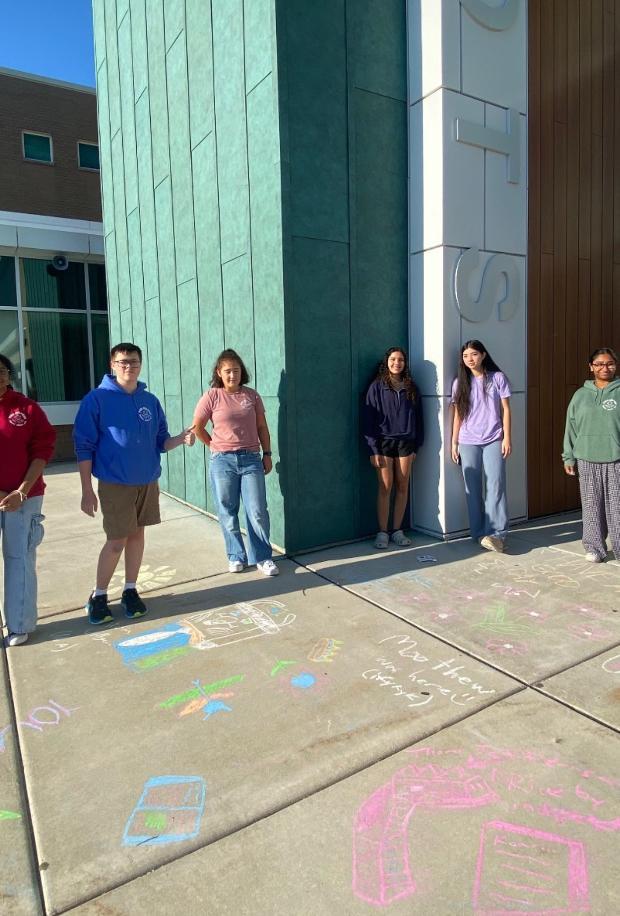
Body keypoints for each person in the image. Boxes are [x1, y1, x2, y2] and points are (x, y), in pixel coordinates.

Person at [73, 342, 195, 624]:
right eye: (123, 362)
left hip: (147, 481)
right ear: (112, 365)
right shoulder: (97, 399)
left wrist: (181, 439)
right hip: (115, 483)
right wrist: (86, 490)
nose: (129, 366)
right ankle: (99, 596)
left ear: (140, 364)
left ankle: (130, 590)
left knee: (137, 536)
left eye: (134, 362)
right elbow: (84, 446)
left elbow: (161, 442)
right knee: (117, 541)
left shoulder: (149, 400)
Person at [192, 349, 278, 576]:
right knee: (227, 510)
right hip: (222, 462)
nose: (232, 375)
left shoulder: (252, 396)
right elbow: (197, 427)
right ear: (219, 373)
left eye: (236, 371)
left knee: (257, 510)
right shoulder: (212, 396)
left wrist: (267, 454)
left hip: (251, 459)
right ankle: (236, 556)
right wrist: (213, 445)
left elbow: (262, 427)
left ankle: (263, 557)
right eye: (228, 371)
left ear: (242, 372)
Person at [0, 353, 56, 646]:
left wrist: (21, 491)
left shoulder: (27, 408)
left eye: (1, 370)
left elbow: (43, 449)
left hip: (25, 498)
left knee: (19, 559)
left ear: (9, 375)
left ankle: (19, 624)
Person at [450, 340, 512, 552]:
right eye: (466, 355)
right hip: (467, 440)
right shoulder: (459, 383)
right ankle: (479, 534)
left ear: (483, 355)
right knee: (472, 488)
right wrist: (454, 442)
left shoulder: (497, 378)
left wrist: (507, 437)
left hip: (494, 438)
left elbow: (506, 409)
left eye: (474, 354)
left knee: (496, 484)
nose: (470, 359)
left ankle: (497, 534)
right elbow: (458, 415)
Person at [562, 347, 620, 563]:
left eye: (610, 363)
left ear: (615, 365)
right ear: (591, 367)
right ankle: (594, 548)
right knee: (591, 506)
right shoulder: (580, 395)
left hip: (616, 458)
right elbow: (571, 427)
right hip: (586, 457)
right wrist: (568, 456)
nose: (605, 368)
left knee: (617, 507)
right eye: (599, 364)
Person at [363, 347, 424, 549]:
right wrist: (373, 449)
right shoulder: (376, 386)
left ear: (405, 364)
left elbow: (419, 419)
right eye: (393, 359)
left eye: (400, 360)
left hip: (406, 443)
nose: (397, 363)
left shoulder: (412, 387)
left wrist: (416, 445)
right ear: (387, 361)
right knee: (385, 486)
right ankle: (382, 533)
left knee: (402, 486)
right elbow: (368, 420)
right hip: (383, 443)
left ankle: (397, 531)